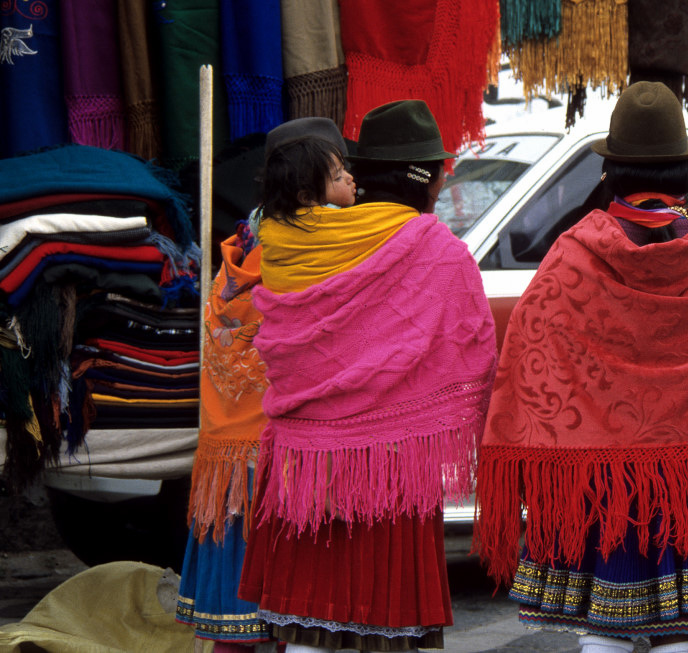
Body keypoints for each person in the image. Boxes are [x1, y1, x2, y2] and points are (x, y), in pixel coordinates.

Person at [474, 82, 688, 653]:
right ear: (685, 174)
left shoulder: (572, 253)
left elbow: (531, 363)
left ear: (610, 174)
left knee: (607, 631)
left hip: (605, 488)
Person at [237, 99, 498, 653]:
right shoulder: (432, 248)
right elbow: (472, 348)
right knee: (384, 616)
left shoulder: (289, 240)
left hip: (304, 462)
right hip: (393, 470)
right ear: (424, 177)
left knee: (309, 611)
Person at [176, 117, 351, 653]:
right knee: (293, 613)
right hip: (285, 457)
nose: (353, 181)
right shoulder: (305, 254)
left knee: (240, 622)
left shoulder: (240, 251)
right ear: (306, 189)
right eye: (340, 171)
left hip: (232, 457)